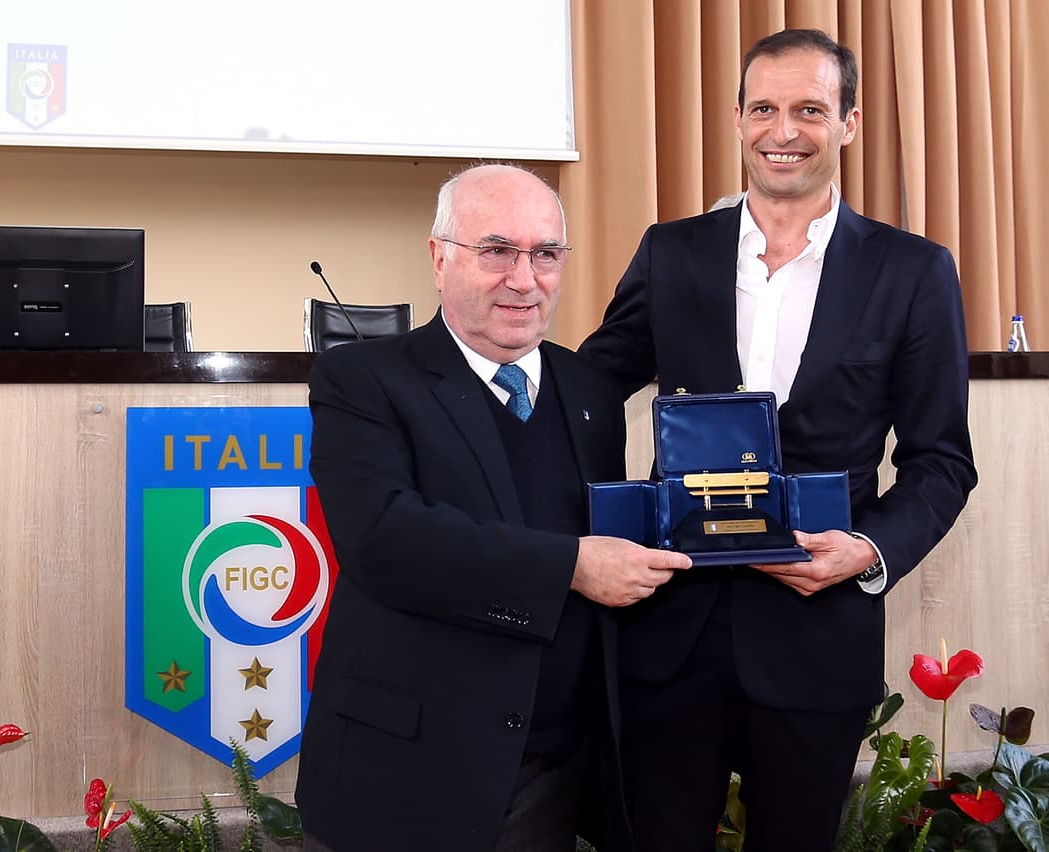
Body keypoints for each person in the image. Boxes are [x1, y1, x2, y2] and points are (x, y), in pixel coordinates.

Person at [578, 29, 979, 851]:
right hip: (669, 627)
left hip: (815, 632)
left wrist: (867, 551)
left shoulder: (913, 271)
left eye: (809, 110)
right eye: (764, 108)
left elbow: (942, 461)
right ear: (737, 119)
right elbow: (586, 392)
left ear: (850, 123)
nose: (783, 130)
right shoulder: (672, 252)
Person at [295, 163, 691, 852]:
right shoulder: (362, 380)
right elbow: (385, 539)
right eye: (497, 250)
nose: (523, 277)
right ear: (439, 258)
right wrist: (570, 565)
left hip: (557, 769)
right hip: (411, 772)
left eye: (545, 254)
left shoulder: (591, 389)